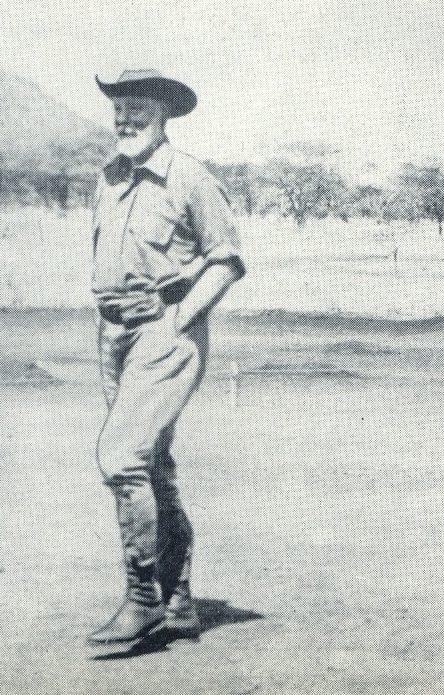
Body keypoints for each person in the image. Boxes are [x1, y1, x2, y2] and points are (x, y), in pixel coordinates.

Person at [87, 69, 245, 646]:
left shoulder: (190, 178)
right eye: (119, 109)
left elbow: (226, 260)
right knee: (152, 464)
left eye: (138, 110)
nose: (126, 119)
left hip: (165, 329)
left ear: (165, 116)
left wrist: (179, 320)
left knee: (119, 456)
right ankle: (178, 599)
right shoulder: (108, 178)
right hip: (113, 333)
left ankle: (142, 597)